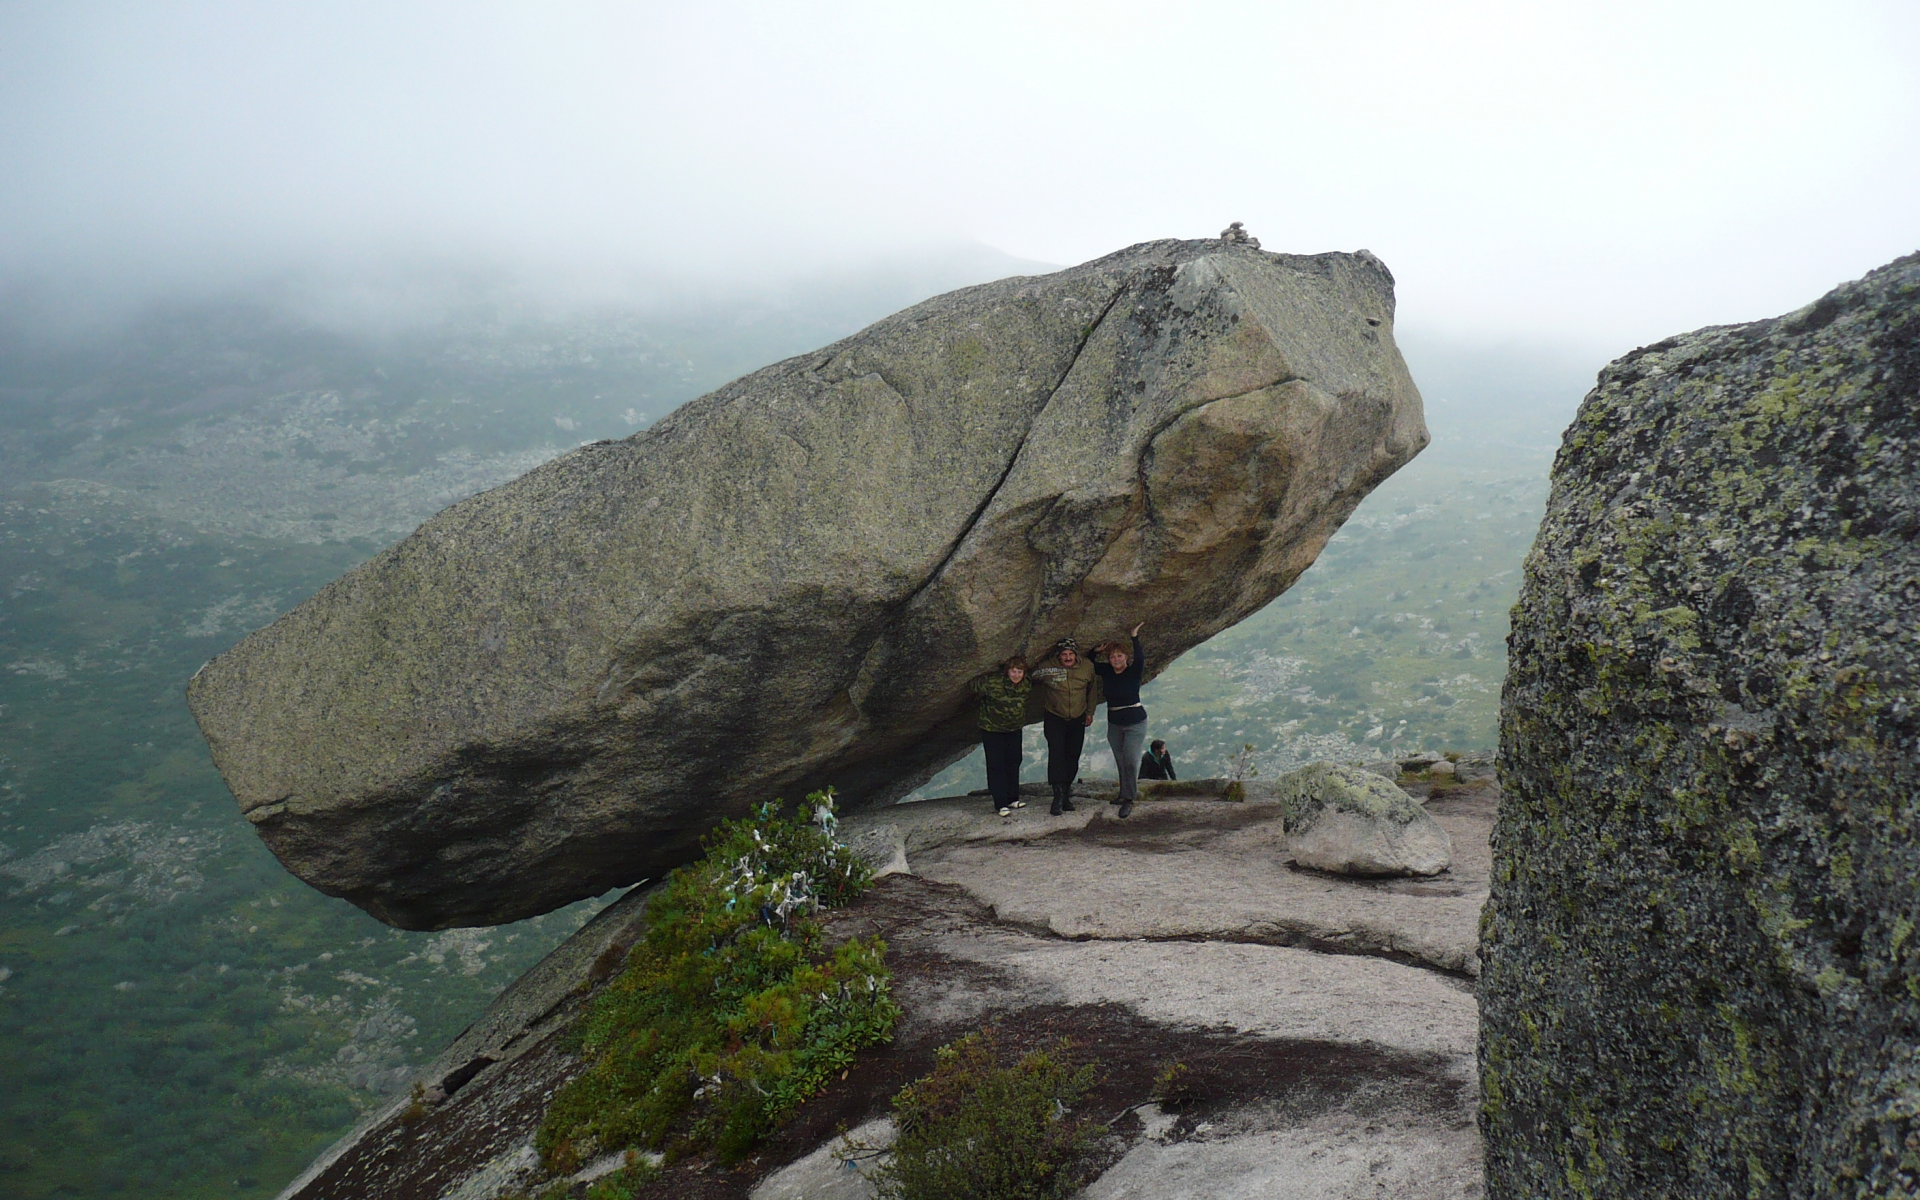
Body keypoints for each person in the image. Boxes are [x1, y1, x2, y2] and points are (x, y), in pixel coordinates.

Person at [1029, 637, 1097, 816]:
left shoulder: (1087, 667)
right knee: (1057, 755)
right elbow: (1028, 679)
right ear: (1058, 656)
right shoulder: (1046, 668)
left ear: (1076, 654)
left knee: (1073, 756)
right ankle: (1057, 797)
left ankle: (1066, 795)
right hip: (1055, 718)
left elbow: (1092, 689)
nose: (1067, 658)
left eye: (1070, 654)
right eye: (1064, 655)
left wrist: (1090, 712)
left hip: (1077, 718)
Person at [1094, 624, 1148, 818]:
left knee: (1130, 760)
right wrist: (1095, 651)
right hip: (1115, 724)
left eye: (1119, 656)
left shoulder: (1133, 671)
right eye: (1112, 657)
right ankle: (1123, 794)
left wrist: (1134, 636)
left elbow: (1140, 657)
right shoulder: (1107, 672)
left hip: (1135, 723)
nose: (1116, 659)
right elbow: (1089, 664)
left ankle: (1129, 799)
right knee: (1120, 760)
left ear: (1126, 658)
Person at [969, 656, 1031, 817]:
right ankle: (1000, 803)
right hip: (992, 729)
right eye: (1013, 671)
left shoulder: (1026, 684)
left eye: (1019, 671)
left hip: (1014, 729)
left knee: (1014, 761)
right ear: (1007, 672)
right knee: (996, 765)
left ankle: (1012, 798)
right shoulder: (993, 683)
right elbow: (973, 685)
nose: (1016, 675)